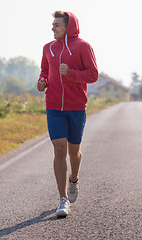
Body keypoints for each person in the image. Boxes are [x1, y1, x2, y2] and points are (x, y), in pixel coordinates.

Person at [37, 11, 98, 217]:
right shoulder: (48, 48)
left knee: (74, 152)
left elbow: (93, 74)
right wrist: (42, 81)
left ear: (68, 26)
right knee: (59, 149)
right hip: (54, 106)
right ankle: (62, 199)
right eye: (52, 24)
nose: (53, 28)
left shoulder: (83, 47)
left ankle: (74, 180)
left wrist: (70, 73)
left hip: (76, 107)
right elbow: (44, 71)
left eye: (57, 25)